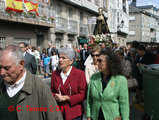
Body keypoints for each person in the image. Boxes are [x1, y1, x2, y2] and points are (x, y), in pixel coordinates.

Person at [0, 45, 63, 120]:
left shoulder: (40, 87)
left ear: (21, 65)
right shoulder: (1, 84)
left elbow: (55, 117)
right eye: (0, 67)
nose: (2, 72)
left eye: (6, 68)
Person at [86, 48, 129, 120]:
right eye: (97, 60)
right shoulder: (94, 77)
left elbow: (124, 104)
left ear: (109, 62)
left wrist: (125, 119)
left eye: (100, 61)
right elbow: (89, 99)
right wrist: (88, 116)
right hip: (96, 116)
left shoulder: (120, 80)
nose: (97, 62)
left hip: (112, 117)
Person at [51, 46, 87, 120]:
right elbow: (51, 92)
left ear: (71, 61)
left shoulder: (80, 74)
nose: (60, 60)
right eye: (60, 57)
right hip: (58, 112)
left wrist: (69, 98)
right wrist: (55, 96)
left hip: (74, 113)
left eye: (64, 58)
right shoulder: (55, 74)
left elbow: (83, 94)